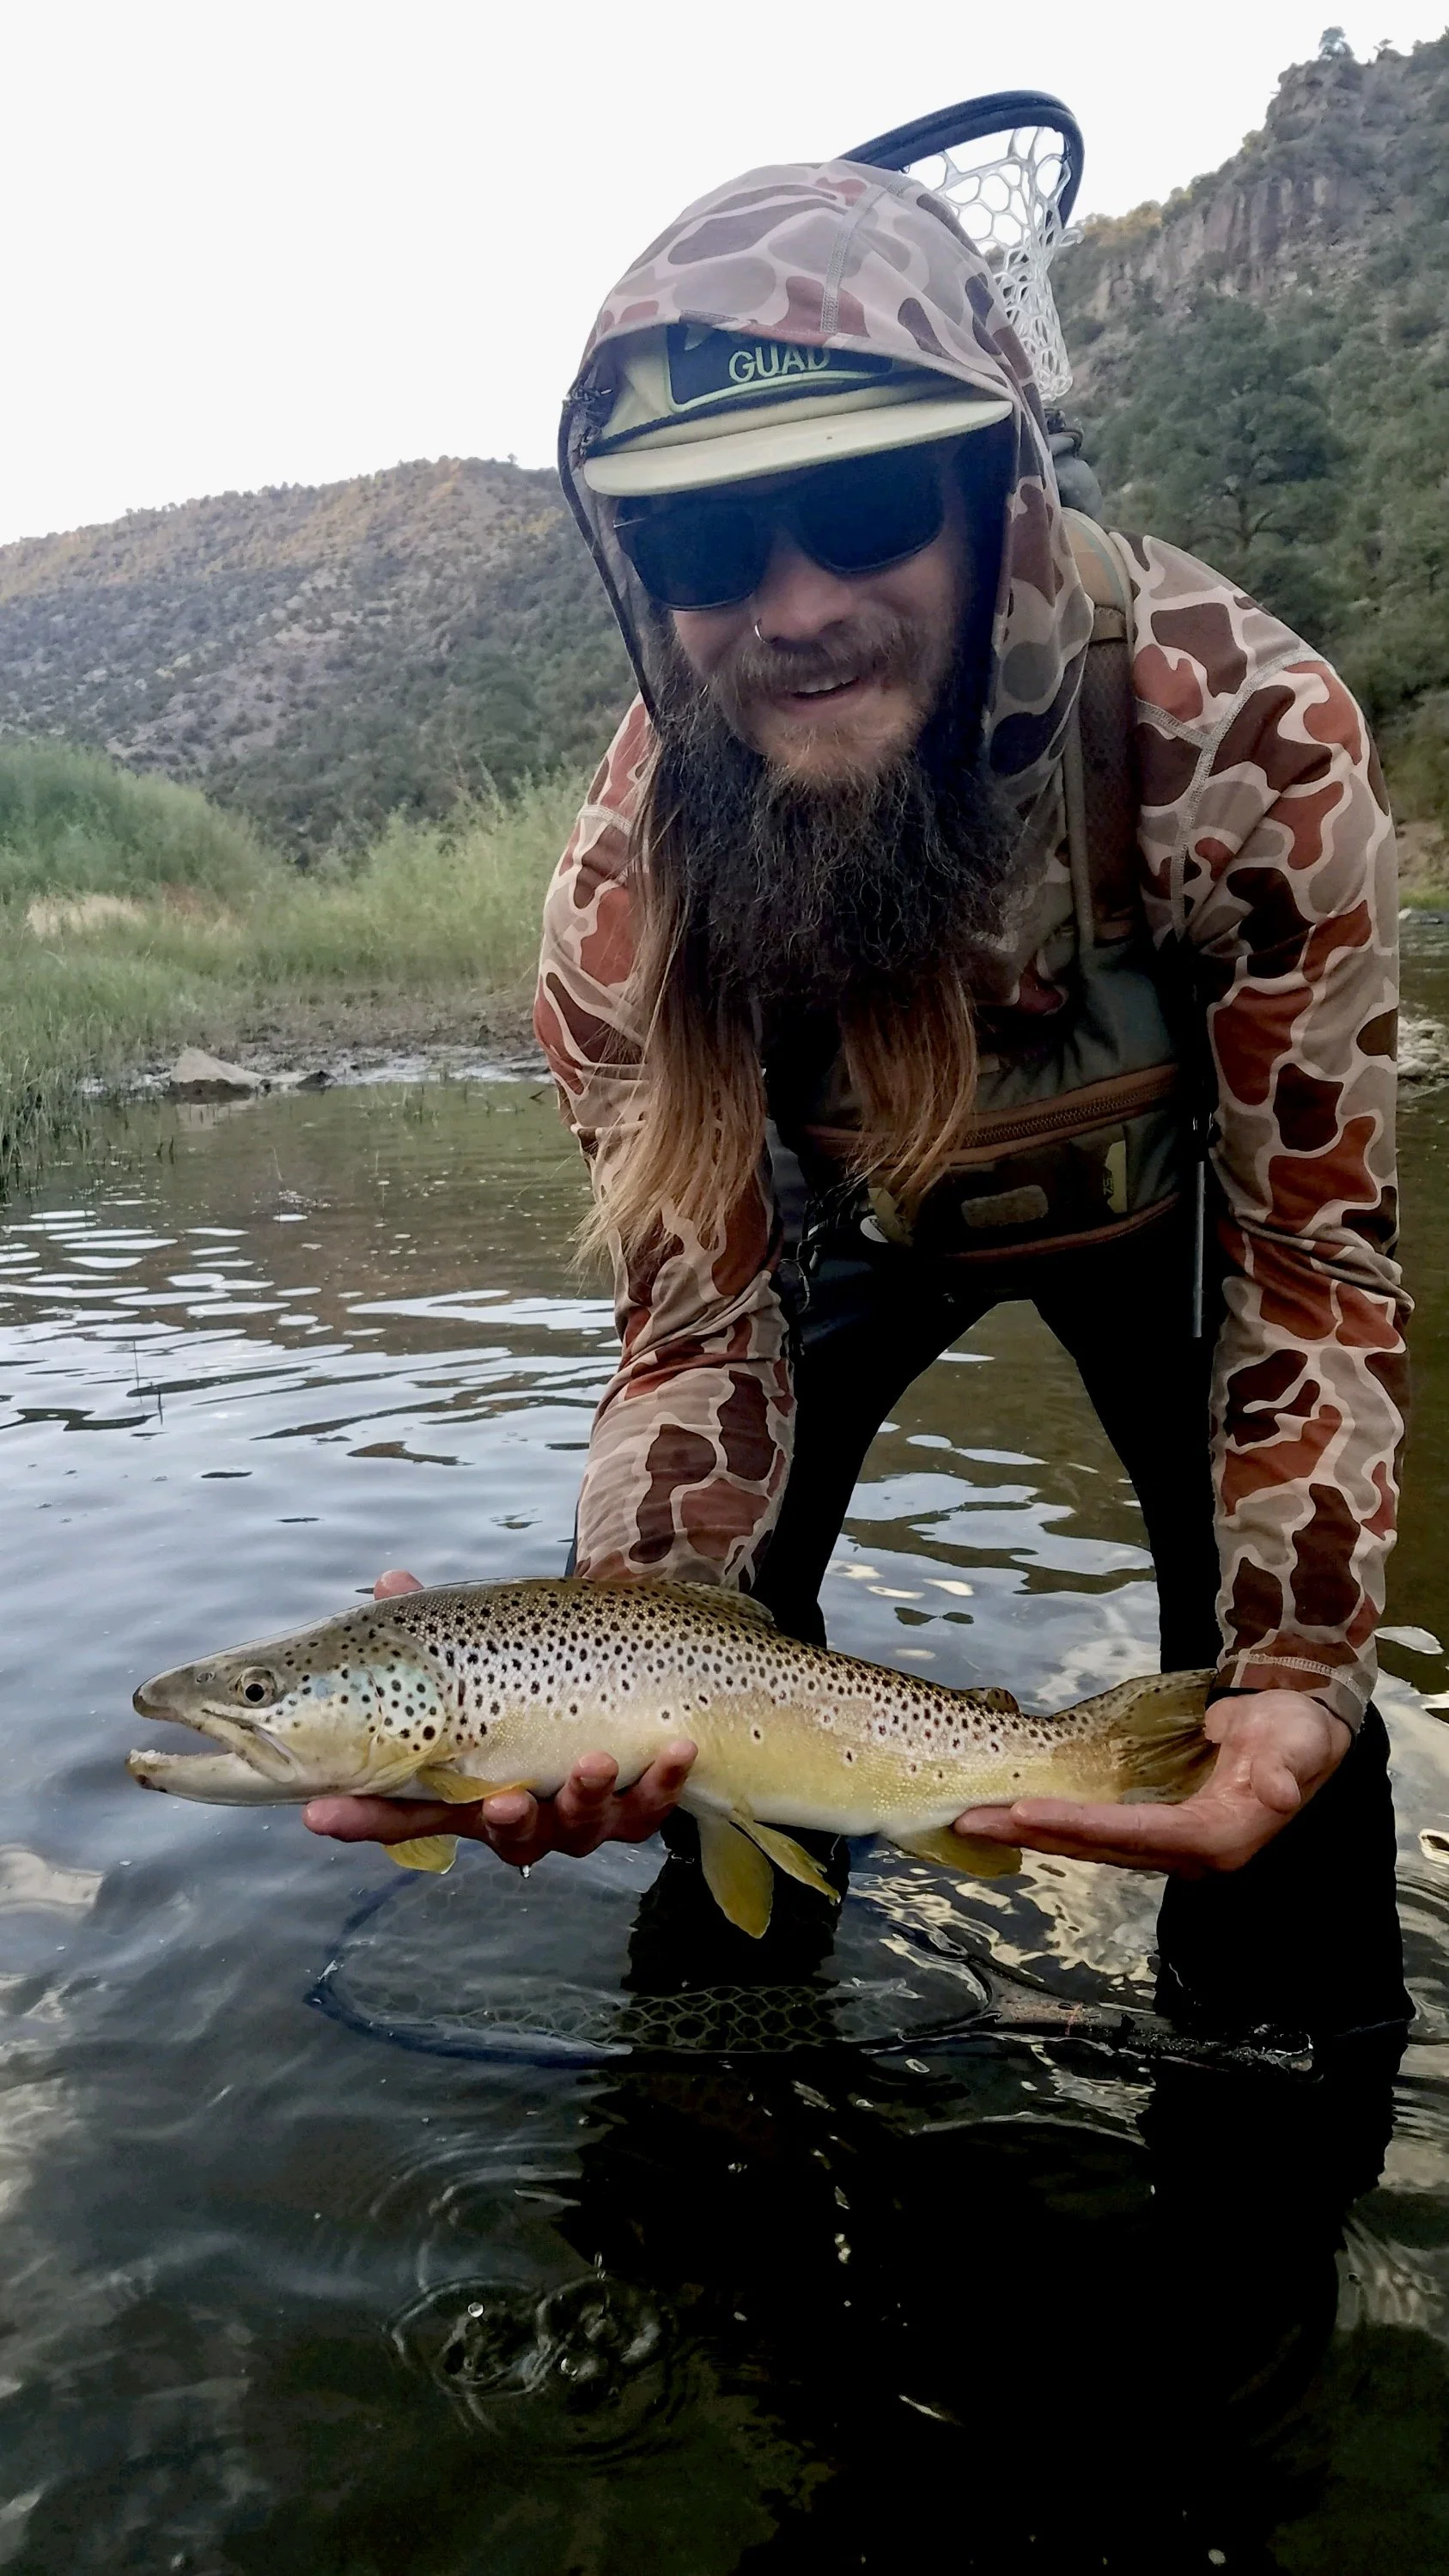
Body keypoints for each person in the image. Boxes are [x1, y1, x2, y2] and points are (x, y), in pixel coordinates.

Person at [307, 160, 1411, 2039]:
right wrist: (622, 1635)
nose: (797, 604)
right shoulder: (623, 895)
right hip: (841, 1236)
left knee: (1277, 1702)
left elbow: (1314, 1264)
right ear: (640, 578)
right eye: (710, 550)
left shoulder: (1244, 734)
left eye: (865, 505)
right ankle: (726, 2090)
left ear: (995, 495)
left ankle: (1279, 2150)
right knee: (697, 1700)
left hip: (1187, 1234)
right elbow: (695, 1324)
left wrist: (1304, 1659)